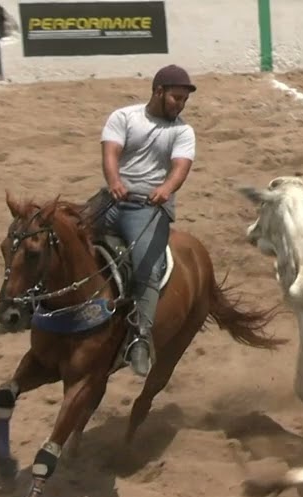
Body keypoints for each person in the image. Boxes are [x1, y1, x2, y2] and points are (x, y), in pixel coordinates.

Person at [99, 64, 198, 377]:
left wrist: (165, 189)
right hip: (113, 199)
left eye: (184, 100)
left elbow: (180, 167)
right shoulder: (124, 117)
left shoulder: (182, 131)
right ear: (158, 92)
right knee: (61, 234)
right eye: (176, 98)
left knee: (147, 267)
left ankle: (140, 338)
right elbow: (111, 153)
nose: (180, 105)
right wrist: (114, 181)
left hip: (147, 207)